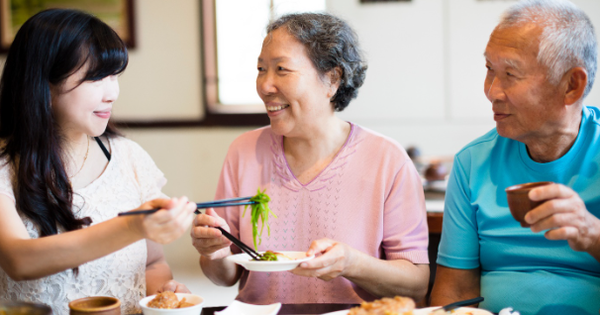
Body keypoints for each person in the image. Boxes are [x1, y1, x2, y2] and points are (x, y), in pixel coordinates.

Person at [191, 12, 430, 305]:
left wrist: (352, 263)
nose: (265, 85)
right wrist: (213, 251)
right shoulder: (244, 151)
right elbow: (224, 276)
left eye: (281, 69)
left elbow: (416, 284)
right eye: (261, 69)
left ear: (331, 79)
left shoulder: (386, 159)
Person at [0, 9, 196, 315]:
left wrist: (162, 292)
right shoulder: (5, 166)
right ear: (43, 83)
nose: (113, 93)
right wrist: (132, 225)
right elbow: (19, 260)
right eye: (96, 77)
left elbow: (153, 263)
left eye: (115, 76)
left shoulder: (129, 157)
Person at [430, 0, 600, 314]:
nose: (492, 91)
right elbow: (454, 289)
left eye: (510, 73)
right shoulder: (471, 162)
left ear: (572, 86)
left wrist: (591, 233)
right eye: (489, 70)